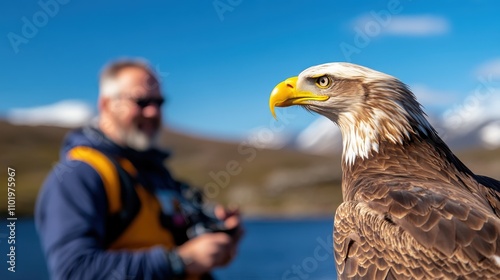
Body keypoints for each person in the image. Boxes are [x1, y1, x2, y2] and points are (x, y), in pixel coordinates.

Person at [35, 58, 244, 280]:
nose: (153, 112)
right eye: (141, 102)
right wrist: (179, 261)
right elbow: (73, 272)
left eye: (159, 102)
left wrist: (219, 234)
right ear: (106, 104)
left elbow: (175, 239)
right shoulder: (79, 175)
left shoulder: (156, 172)